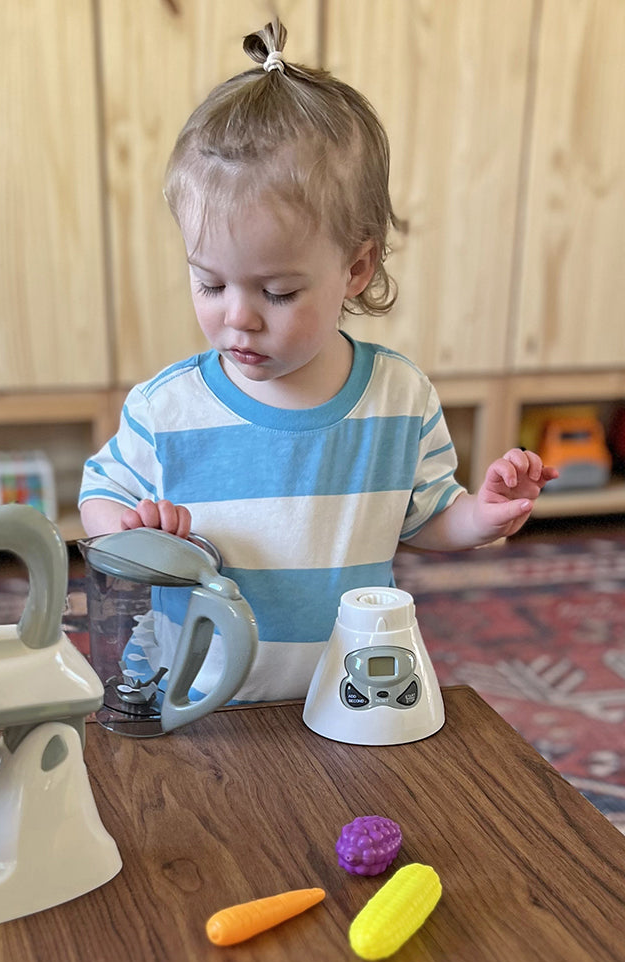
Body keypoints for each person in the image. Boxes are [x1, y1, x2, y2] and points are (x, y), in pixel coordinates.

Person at [79, 18, 557, 702]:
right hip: (196, 699)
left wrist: (481, 516)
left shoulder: (399, 398)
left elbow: (424, 517)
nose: (237, 315)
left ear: (357, 267)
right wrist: (133, 533)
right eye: (210, 283)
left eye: (277, 291)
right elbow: (99, 497)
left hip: (347, 694)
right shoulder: (167, 409)